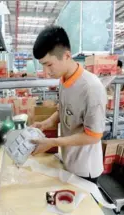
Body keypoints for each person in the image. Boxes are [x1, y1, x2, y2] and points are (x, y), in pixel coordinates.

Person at [31, 26, 107, 183]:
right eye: (43, 65)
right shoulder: (64, 80)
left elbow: (93, 136)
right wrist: (46, 123)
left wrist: (53, 142)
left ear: (66, 55)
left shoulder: (91, 88)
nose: (46, 72)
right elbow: (63, 109)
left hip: (86, 169)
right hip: (69, 160)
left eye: (49, 64)